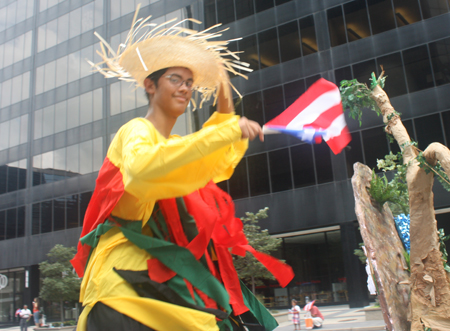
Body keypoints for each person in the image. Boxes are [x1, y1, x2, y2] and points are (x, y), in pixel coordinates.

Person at [70, 6, 293, 331]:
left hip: (163, 286)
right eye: (175, 79)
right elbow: (145, 172)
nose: (185, 87)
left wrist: (222, 85)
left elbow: (213, 164)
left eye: (189, 81)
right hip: (124, 290)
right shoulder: (135, 131)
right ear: (150, 85)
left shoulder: (175, 146)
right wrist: (226, 131)